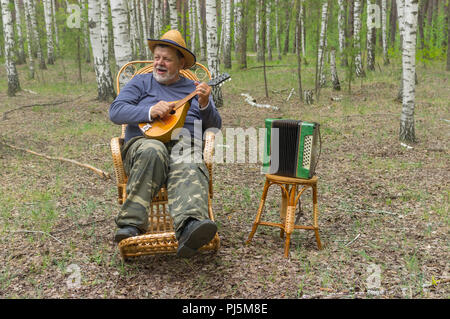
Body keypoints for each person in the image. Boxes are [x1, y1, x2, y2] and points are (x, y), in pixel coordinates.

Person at [109, 30, 222, 258]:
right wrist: (149, 111)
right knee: (154, 149)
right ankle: (131, 224)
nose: (159, 63)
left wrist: (204, 103)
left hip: (182, 145)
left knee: (188, 156)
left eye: (166, 59)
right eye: (157, 58)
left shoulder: (194, 88)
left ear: (181, 63)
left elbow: (214, 127)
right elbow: (115, 111)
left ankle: (190, 227)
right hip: (144, 144)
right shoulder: (140, 82)